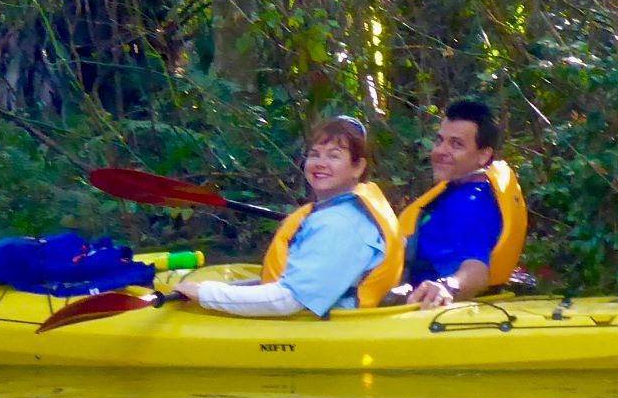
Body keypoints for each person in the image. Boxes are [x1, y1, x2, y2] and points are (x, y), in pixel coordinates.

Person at [161, 115, 403, 318]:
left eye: (334, 155)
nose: (320, 163)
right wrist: (211, 289)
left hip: (317, 332)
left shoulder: (342, 224)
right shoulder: (338, 212)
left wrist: (205, 295)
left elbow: (287, 300)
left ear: (358, 167)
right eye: (315, 154)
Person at [391, 98, 528, 307]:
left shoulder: (470, 205)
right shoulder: (461, 190)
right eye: (439, 140)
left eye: (456, 144)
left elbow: (477, 269)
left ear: (483, 155)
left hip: (425, 315)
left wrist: (448, 287)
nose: (440, 151)